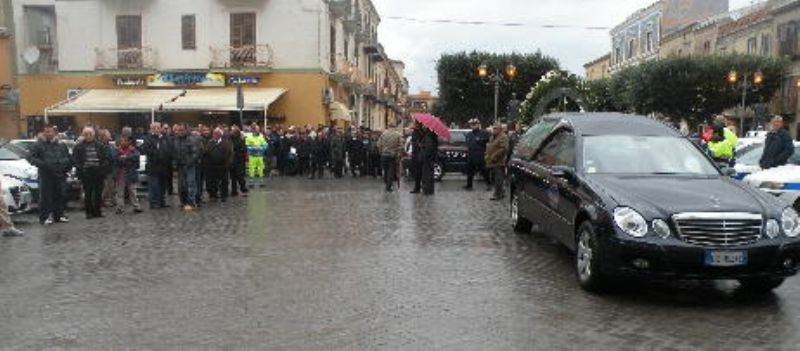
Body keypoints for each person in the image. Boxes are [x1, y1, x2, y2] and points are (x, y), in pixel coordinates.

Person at [27, 125, 72, 225]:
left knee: (60, 195)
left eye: (51, 132)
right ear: (43, 133)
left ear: (54, 132)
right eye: (46, 132)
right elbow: (30, 157)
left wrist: (67, 166)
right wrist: (43, 164)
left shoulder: (61, 145)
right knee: (45, 197)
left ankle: (59, 216)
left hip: (60, 174)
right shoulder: (38, 145)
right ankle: (44, 217)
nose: (49, 134)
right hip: (46, 174)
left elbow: (68, 156)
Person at [72, 127, 112, 219]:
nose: (88, 136)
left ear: (94, 134)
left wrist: (102, 168)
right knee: (88, 193)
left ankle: (97, 211)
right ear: (83, 135)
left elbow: (106, 158)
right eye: (86, 134)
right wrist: (81, 169)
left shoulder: (100, 146)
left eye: (90, 134)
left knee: (98, 193)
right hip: (86, 173)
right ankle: (89, 212)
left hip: (98, 172)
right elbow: (75, 159)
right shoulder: (79, 147)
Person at [141, 122, 172, 209]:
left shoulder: (165, 138)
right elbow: (148, 150)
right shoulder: (148, 139)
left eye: (158, 128)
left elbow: (168, 149)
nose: (157, 130)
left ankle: (161, 201)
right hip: (153, 166)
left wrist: (164, 154)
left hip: (164, 166)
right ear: (151, 129)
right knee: (154, 186)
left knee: (163, 185)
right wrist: (159, 153)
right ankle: (154, 202)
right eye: (154, 128)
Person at [112, 135, 142, 214]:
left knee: (133, 191)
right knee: (119, 193)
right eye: (122, 140)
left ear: (129, 142)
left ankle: (136, 206)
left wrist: (125, 158)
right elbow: (116, 160)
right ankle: (119, 207)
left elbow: (136, 161)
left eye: (125, 140)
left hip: (131, 174)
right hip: (120, 175)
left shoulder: (134, 150)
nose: (123, 142)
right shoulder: (116, 150)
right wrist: (127, 159)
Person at [174, 124, 200, 211]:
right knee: (181, 185)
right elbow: (175, 152)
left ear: (186, 130)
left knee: (191, 184)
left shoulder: (191, 139)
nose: (180, 132)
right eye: (178, 130)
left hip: (189, 166)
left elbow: (195, 153)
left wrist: (189, 162)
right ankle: (183, 202)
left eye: (181, 130)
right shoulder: (176, 140)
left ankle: (191, 202)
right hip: (180, 166)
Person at [205, 128, 233, 202]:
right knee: (212, 181)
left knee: (224, 181)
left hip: (223, 165)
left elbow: (230, 154)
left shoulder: (226, 143)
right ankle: (213, 195)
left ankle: (224, 195)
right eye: (214, 133)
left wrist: (228, 163)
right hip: (212, 166)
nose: (215, 135)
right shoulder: (210, 142)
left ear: (220, 135)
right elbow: (206, 152)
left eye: (217, 133)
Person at [464, 118, 490, 191]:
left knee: (484, 171)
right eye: (472, 125)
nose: (473, 126)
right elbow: (467, 143)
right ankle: (469, 185)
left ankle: (488, 184)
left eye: (474, 124)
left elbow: (487, 142)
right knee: (469, 171)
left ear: (478, 125)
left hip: (480, 155)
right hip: (471, 154)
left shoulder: (483, 133)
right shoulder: (469, 134)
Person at [485, 123, 510, 201]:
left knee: (498, 179)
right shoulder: (492, 137)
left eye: (495, 128)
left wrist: (494, 156)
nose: (493, 130)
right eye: (493, 128)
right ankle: (500, 192)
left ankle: (498, 194)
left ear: (500, 129)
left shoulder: (503, 137)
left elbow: (504, 149)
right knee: (495, 178)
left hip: (499, 161)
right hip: (492, 161)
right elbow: (490, 146)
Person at [377, 124, 405, 192]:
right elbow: (401, 146)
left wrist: (381, 152)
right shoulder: (398, 135)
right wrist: (399, 153)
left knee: (386, 170)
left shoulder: (383, 134)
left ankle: (386, 182)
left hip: (384, 154)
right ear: (394, 127)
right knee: (391, 170)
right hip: (393, 155)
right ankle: (388, 186)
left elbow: (379, 145)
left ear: (388, 127)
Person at [229, 125, 248, 197]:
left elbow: (243, 151)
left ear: (236, 133)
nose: (231, 132)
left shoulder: (241, 140)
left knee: (240, 176)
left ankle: (243, 188)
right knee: (233, 177)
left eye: (232, 131)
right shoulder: (230, 139)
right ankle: (234, 191)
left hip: (239, 161)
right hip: (232, 161)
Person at [419, 127, 439, 195]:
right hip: (431, 158)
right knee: (430, 174)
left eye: (424, 127)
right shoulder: (432, 135)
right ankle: (429, 189)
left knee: (426, 174)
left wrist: (422, 146)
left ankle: (427, 190)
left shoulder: (428, 136)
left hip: (427, 159)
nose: (423, 127)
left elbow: (428, 148)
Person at [408, 122, 425, 194]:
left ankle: (417, 188)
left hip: (417, 155)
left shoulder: (416, 133)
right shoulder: (422, 132)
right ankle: (419, 186)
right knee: (419, 172)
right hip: (419, 154)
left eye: (415, 124)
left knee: (417, 172)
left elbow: (415, 143)